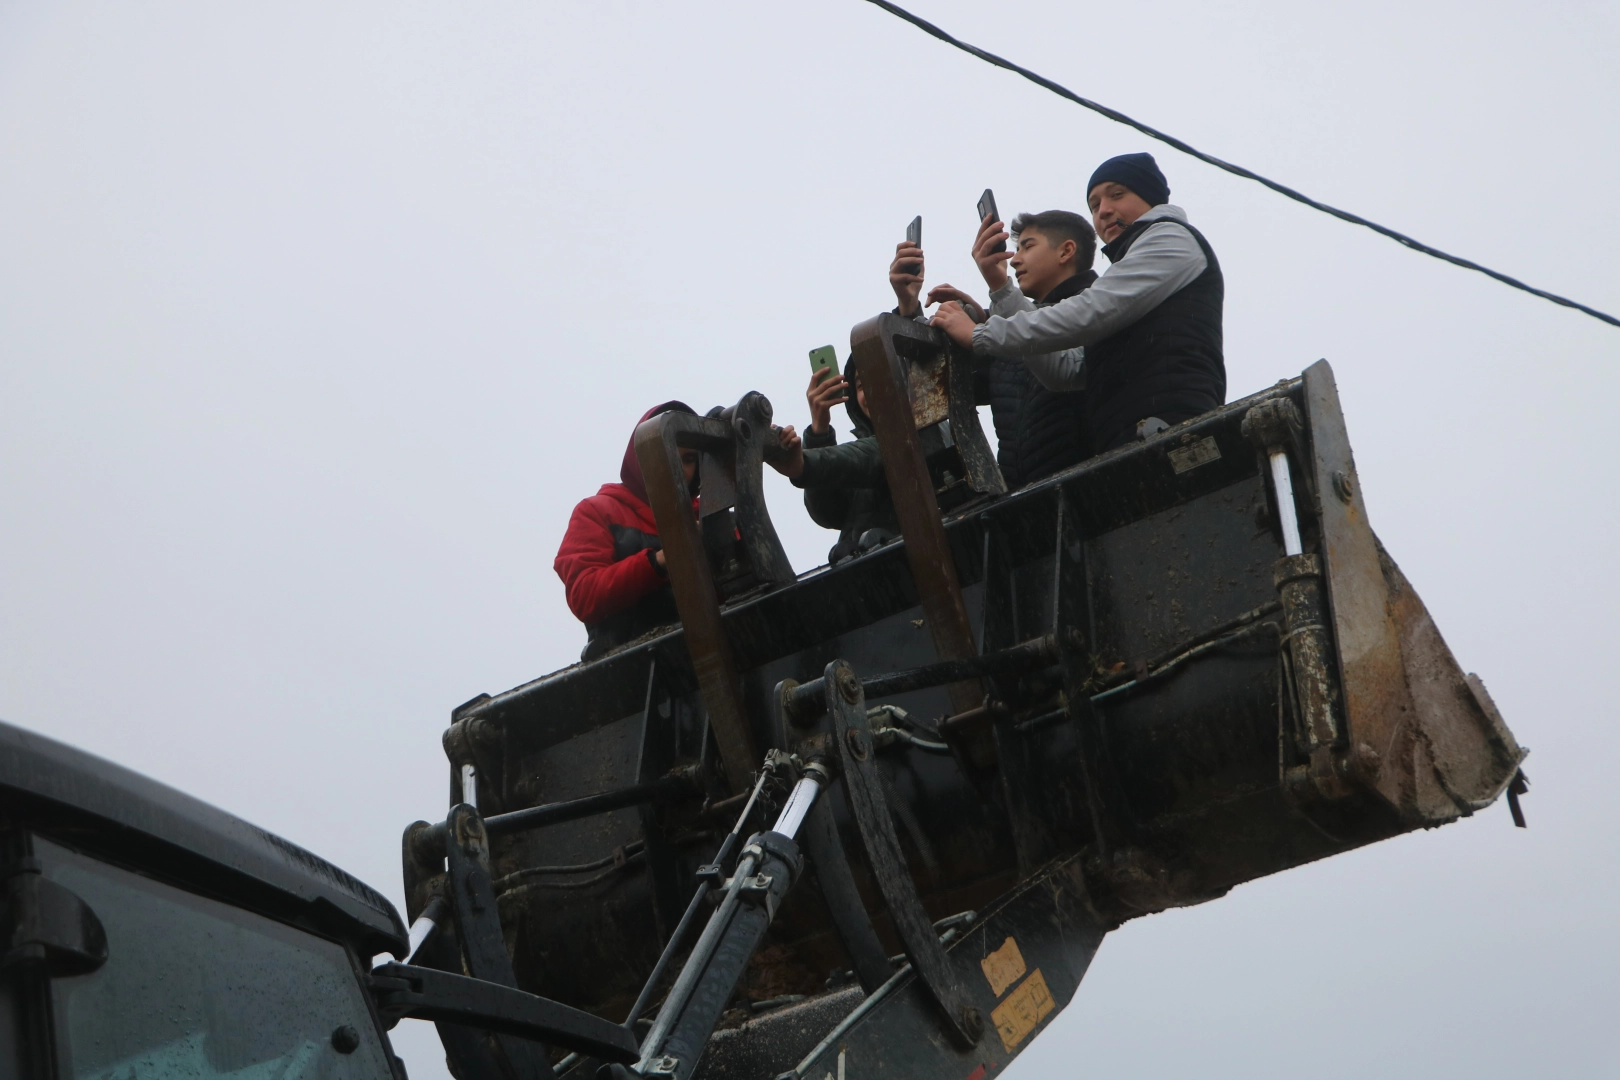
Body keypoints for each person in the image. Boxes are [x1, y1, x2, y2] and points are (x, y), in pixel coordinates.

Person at [932, 153, 1225, 454]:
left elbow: (1088, 312)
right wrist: (1002, 293)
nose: (1104, 211)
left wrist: (979, 334)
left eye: (1117, 195)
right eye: (1094, 205)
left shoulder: (1169, 237)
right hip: (1129, 440)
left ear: (1150, 197)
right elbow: (1066, 369)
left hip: (1175, 429)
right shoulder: (1128, 270)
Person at [921, 209, 1099, 488]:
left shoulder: (1101, 311)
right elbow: (947, 389)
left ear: (1066, 252)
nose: (1015, 260)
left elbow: (1044, 339)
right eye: (1016, 249)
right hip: (1024, 504)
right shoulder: (1004, 328)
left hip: (1090, 487)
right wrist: (912, 307)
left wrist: (995, 299)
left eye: (1028, 246)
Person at [554, 402, 699, 660]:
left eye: (689, 460)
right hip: (634, 669)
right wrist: (658, 562)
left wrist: (795, 469)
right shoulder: (596, 512)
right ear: (642, 456)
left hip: (710, 652)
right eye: (667, 453)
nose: (679, 468)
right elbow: (584, 594)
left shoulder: (710, 515)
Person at [770, 359, 897, 564]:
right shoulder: (860, 460)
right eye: (862, 386)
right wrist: (819, 431)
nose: (871, 390)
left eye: (880, 376)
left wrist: (803, 465)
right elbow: (829, 513)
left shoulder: (932, 432)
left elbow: (881, 453)